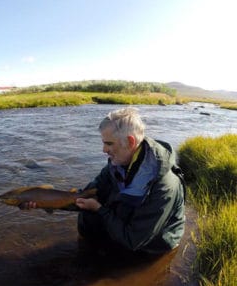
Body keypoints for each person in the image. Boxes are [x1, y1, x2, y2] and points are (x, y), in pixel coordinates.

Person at [75, 107, 186, 254]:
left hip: (153, 245)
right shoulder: (118, 162)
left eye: (109, 144)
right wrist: (45, 200)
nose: (104, 150)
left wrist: (99, 209)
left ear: (130, 142)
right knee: (87, 218)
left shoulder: (165, 185)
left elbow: (133, 240)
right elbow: (87, 193)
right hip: (130, 225)